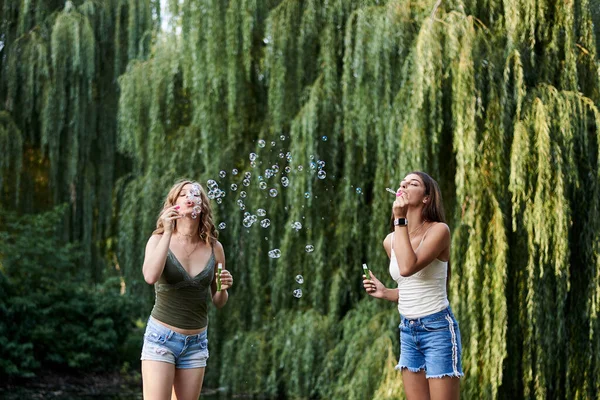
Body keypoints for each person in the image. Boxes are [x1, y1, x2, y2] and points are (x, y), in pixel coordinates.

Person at [363, 171, 463, 400]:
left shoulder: (439, 231)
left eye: (413, 183)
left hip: (437, 329)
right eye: (402, 183)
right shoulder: (390, 241)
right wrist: (386, 292)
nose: (404, 185)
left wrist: (400, 218)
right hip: (408, 331)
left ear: (426, 198)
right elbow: (413, 287)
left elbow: (408, 266)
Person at [140, 179, 233, 400]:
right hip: (161, 338)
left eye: (195, 194)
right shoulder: (157, 240)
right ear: (174, 204)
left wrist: (224, 287)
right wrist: (167, 231)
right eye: (182, 194)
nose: (189, 197)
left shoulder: (215, 248)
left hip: (196, 343)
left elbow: (218, 301)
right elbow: (150, 276)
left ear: (203, 205)